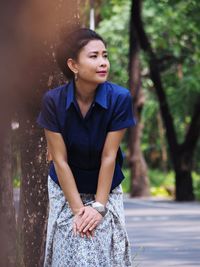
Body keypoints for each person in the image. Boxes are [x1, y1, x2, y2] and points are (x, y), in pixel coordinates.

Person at [36, 28, 136, 267]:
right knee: (72, 242)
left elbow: (109, 156)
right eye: (93, 56)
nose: (103, 63)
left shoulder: (119, 98)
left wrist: (98, 207)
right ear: (73, 65)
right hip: (65, 187)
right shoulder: (53, 101)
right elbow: (59, 160)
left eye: (105, 55)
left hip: (105, 186)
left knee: (105, 250)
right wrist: (79, 211)